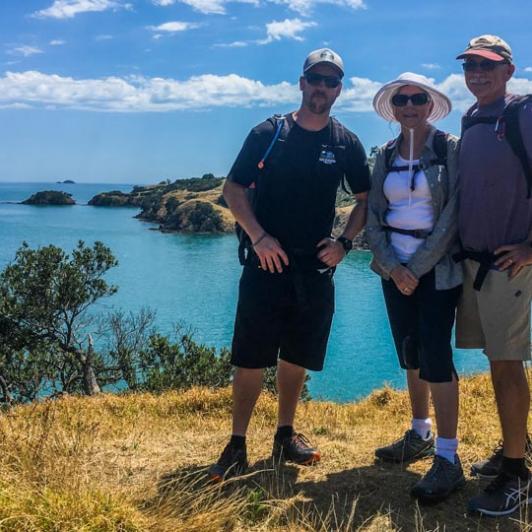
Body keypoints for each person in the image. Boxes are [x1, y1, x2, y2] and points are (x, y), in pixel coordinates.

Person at [208, 48, 370, 481]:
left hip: (315, 269)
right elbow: (233, 187)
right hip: (265, 265)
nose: (322, 87)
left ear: (339, 89)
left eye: (331, 81)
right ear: (302, 83)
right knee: (250, 357)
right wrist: (258, 237)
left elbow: (364, 201)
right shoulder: (270, 132)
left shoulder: (345, 142)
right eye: (315, 79)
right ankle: (237, 443)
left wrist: (345, 243)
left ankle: (285, 433)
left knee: (296, 355)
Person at [366, 72, 463, 503]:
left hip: (436, 272)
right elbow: (373, 214)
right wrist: (391, 266)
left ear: (429, 104)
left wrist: (415, 268)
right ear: (393, 108)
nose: (408, 106)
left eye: (417, 98)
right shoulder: (385, 155)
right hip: (394, 271)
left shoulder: (448, 148)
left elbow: (454, 215)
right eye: (401, 100)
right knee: (410, 351)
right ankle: (419, 432)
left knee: (437, 356)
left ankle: (448, 457)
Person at [454, 35, 532, 517]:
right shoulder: (472, 118)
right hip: (476, 264)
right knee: (496, 360)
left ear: (507, 69)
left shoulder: (523, 114)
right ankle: (513, 449)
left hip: (509, 264)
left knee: (507, 362)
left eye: (486, 65)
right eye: (469, 65)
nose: (476, 73)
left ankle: (518, 475)